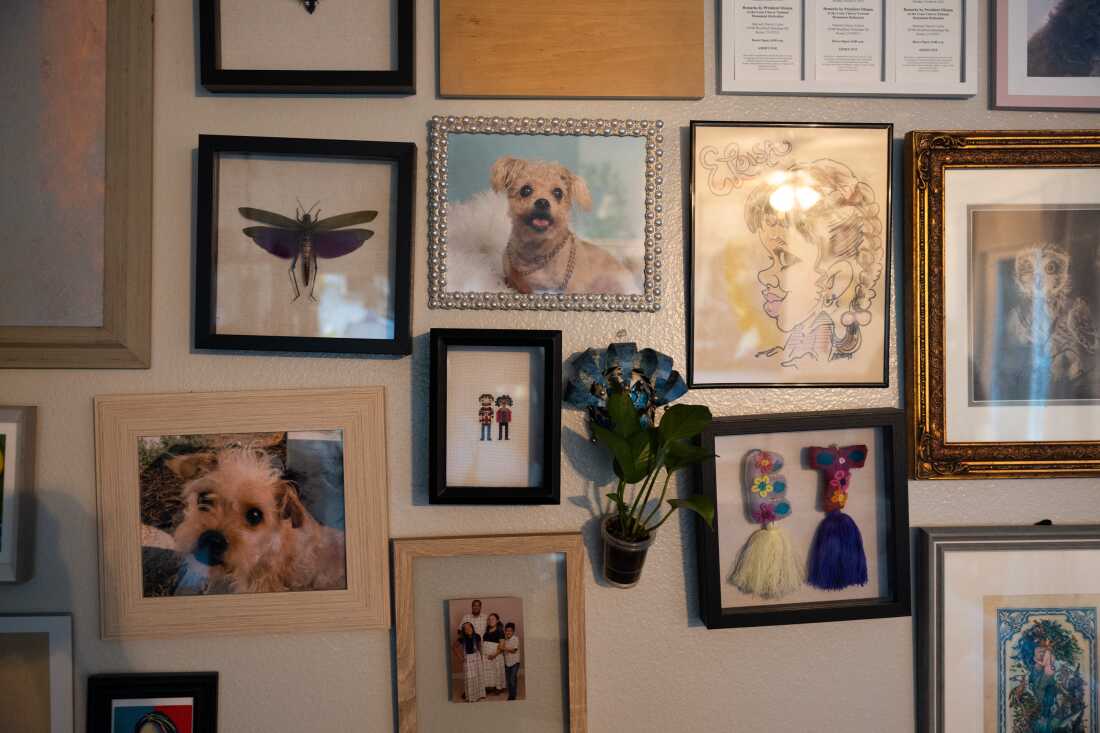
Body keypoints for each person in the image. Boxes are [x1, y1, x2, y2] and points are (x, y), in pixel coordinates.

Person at [745, 159, 884, 370]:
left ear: (835, 281)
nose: (765, 276)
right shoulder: (795, 347)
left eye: (785, 260)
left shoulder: (817, 354)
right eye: (767, 260)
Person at [454, 622, 486, 703]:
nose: (468, 629)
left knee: (478, 676)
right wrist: (460, 658)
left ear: (472, 628)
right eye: (465, 628)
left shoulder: (477, 636)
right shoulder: (462, 638)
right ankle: (471, 696)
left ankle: (479, 694)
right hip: (468, 659)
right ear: (463, 631)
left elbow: (479, 647)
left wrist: (481, 657)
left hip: (477, 657)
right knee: (470, 678)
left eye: (469, 627)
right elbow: (454, 647)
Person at [481, 612, 507, 694]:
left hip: (496, 655)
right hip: (487, 656)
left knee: (497, 671)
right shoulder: (486, 631)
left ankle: (498, 688)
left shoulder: (500, 631)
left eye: (493, 619)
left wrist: (494, 654)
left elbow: (502, 645)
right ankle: (490, 686)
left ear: (497, 620)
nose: (490, 620)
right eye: (489, 619)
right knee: (489, 672)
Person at [502, 621, 522, 701]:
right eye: (506, 631)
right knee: (509, 679)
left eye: (510, 631)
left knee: (512, 679)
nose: (508, 632)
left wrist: (504, 648)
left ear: (513, 632)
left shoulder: (515, 639)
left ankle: (512, 696)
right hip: (507, 663)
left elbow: (514, 650)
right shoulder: (505, 640)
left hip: (515, 662)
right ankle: (512, 692)